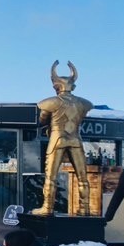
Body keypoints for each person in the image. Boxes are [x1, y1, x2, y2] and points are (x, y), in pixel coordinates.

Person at [32, 61, 93, 216]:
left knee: (51, 176)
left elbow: (42, 120)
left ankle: (47, 207)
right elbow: (83, 116)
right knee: (82, 177)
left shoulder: (51, 102)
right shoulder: (84, 103)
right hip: (75, 139)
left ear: (56, 86)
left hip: (57, 138)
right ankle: (85, 207)